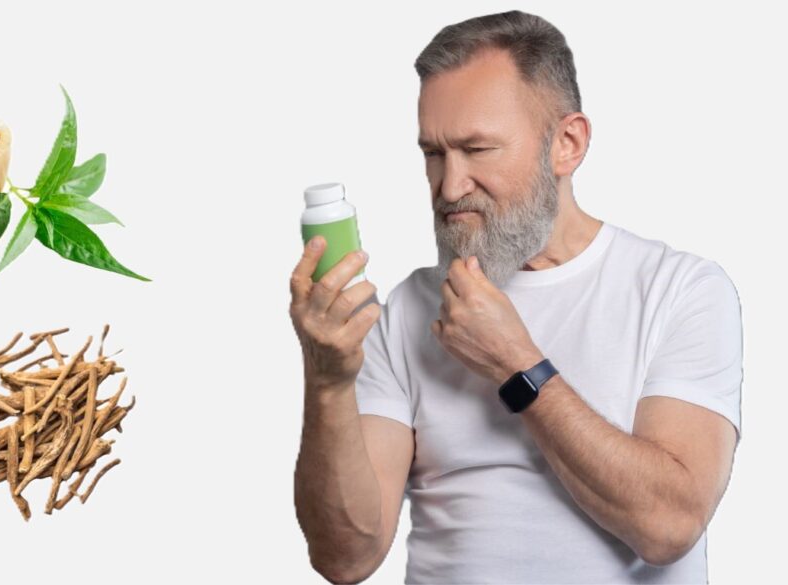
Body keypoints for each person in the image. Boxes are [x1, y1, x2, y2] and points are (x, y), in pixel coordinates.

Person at [289, 10, 742, 584]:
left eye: (477, 150)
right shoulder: (405, 309)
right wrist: (327, 381)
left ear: (567, 144)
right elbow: (346, 558)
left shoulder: (680, 290)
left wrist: (516, 364)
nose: (450, 187)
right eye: (434, 153)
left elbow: (669, 526)